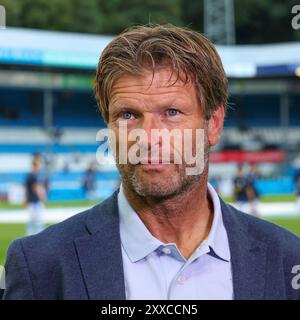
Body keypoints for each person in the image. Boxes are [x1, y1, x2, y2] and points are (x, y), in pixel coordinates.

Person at [3, 24, 300, 300]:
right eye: (127, 115)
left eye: (171, 112)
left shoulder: (288, 259)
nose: (148, 137)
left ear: (213, 124)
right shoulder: (39, 266)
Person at [24, 159, 46, 236]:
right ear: (35, 166)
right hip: (35, 200)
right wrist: (41, 198)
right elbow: (35, 189)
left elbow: (26, 189)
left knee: (32, 220)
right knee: (37, 220)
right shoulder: (33, 176)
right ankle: (38, 236)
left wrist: (26, 200)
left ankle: (29, 235)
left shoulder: (29, 176)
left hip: (31, 200)